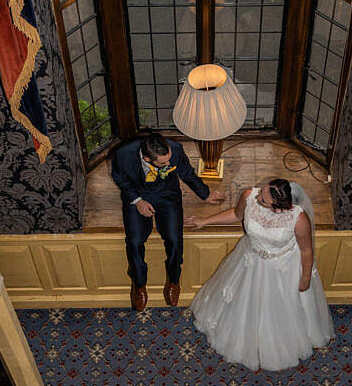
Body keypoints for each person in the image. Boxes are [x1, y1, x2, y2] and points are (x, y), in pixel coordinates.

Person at [185, 179, 334, 371]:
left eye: (262, 198)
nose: (257, 197)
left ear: (277, 205)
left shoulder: (298, 218)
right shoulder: (249, 196)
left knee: (277, 310)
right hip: (250, 260)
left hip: (282, 269)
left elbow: (306, 250)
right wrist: (205, 221)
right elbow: (237, 214)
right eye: (260, 192)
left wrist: (305, 278)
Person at [110, 133, 227, 311]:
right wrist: (138, 201)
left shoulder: (176, 149)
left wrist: (206, 193)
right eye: (163, 163)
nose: (168, 164)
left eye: (169, 160)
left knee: (174, 238)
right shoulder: (122, 154)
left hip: (167, 195)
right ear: (147, 158)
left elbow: (187, 173)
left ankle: (173, 280)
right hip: (137, 195)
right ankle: (139, 284)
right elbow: (121, 180)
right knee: (134, 241)